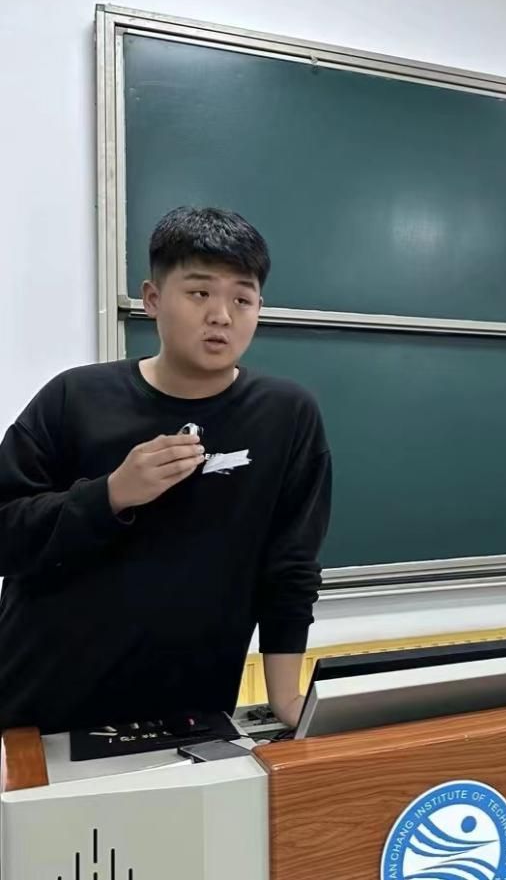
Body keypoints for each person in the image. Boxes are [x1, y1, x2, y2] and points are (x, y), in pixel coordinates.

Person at [0, 206, 332, 734]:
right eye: (199, 293)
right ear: (152, 299)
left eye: (242, 299)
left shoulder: (286, 415)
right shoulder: (75, 398)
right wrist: (110, 495)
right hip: (45, 707)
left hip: (192, 710)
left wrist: (286, 699)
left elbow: (290, 568)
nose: (221, 315)